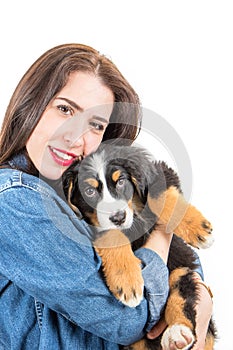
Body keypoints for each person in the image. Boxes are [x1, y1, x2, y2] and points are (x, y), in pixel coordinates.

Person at [0, 43, 212, 349]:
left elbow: (185, 263)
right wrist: (164, 230)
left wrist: (195, 291)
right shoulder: (13, 200)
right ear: (29, 105)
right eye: (65, 109)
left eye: (95, 124)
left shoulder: (78, 193)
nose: (75, 137)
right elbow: (127, 317)